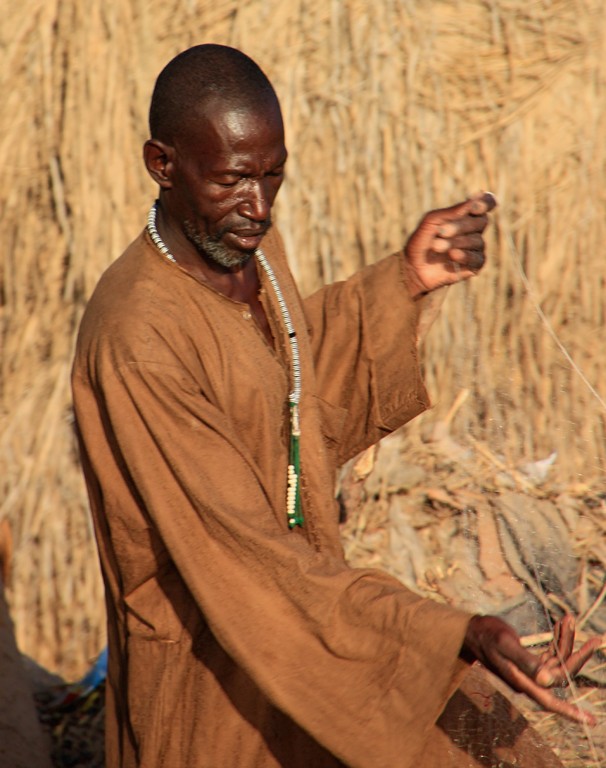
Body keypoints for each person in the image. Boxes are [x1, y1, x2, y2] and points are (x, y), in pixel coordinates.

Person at [71, 44, 600, 768]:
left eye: (273, 174)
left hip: (317, 630)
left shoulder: (245, 251)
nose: (259, 207)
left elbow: (288, 391)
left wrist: (408, 279)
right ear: (162, 165)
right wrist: (447, 634)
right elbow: (245, 557)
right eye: (233, 181)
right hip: (217, 686)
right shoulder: (139, 336)